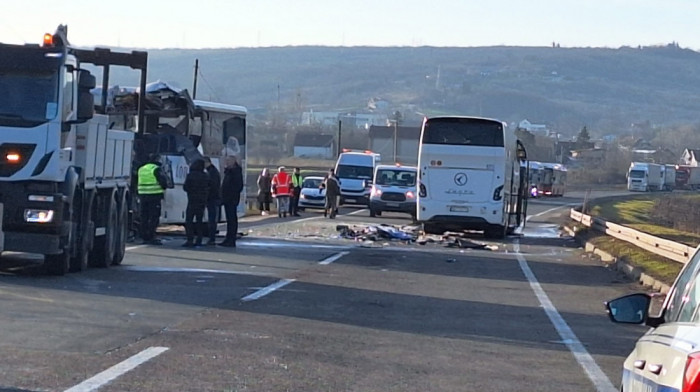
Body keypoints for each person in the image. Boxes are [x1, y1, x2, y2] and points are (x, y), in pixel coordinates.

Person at [137, 153, 169, 245]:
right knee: (153, 217)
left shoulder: (141, 169)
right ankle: (151, 236)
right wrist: (164, 187)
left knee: (144, 217)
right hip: (154, 196)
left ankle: (144, 236)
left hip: (143, 195)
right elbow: (163, 181)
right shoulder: (156, 169)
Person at [182, 159, 209, 247]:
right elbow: (209, 186)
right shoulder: (205, 176)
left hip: (192, 200)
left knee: (189, 220)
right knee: (199, 221)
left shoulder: (190, 175)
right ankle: (199, 239)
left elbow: (186, 187)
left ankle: (190, 239)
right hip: (202, 201)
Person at [219, 156, 244, 247]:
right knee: (229, 219)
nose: (227, 162)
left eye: (228, 161)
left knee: (232, 219)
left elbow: (238, 186)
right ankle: (228, 238)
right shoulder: (229, 171)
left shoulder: (235, 172)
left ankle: (231, 239)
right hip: (227, 198)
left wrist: (230, 195)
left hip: (231, 199)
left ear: (233, 162)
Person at [204, 157, 222, 246]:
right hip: (214, 198)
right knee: (212, 219)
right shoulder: (213, 171)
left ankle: (212, 238)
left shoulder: (212, 172)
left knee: (212, 219)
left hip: (212, 198)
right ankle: (211, 238)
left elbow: (213, 186)